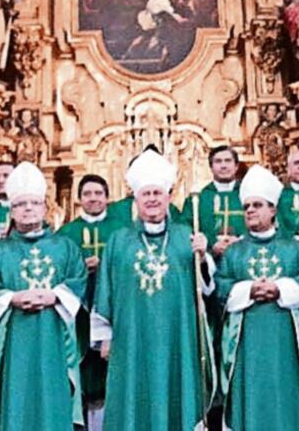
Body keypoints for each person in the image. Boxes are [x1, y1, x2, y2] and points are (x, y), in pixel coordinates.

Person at [91, 149, 214, 430]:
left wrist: (203, 257)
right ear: (135, 199)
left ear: (169, 197)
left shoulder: (187, 236)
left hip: (178, 337)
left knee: (178, 394)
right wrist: (105, 337)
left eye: (158, 193)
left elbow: (205, 290)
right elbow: (105, 289)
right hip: (130, 338)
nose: (152, 199)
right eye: (146, 194)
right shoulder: (119, 241)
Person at [0, 162, 87, 429]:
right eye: (21, 204)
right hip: (13, 338)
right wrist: (11, 299)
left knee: (53, 397)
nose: (27, 209)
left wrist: (55, 296)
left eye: (34, 203)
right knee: (16, 399)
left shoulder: (65, 247)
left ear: (45, 208)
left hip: (54, 336)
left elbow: (79, 279)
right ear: (11, 211)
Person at [216, 164, 299, 430]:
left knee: (287, 398)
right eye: (247, 206)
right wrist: (248, 290)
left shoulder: (294, 248)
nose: (250, 210)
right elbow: (220, 287)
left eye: (257, 205)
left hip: (287, 342)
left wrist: (281, 289)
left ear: (273, 210)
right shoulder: (234, 252)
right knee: (251, 397)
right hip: (247, 343)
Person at [57, 174, 130, 429]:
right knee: (85, 372)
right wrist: (80, 268)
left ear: (107, 197)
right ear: (79, 199)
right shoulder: (67, 233)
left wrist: (108, 267)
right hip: (79, 312)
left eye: (98, 193)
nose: (93, 198)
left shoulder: (122, 230)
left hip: (115, 310)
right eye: (87, 194)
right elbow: (57, 270)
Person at [181, 145, 245, 256]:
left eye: (228, 161)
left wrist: (242, 241)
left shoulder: (248, 195)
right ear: (211, 167)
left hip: (245, 256)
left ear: (236, 166)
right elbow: (185, 229)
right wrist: (210, 245)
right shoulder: (197, 199)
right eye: (218, 161)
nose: (223, 166)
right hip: (208, 261)